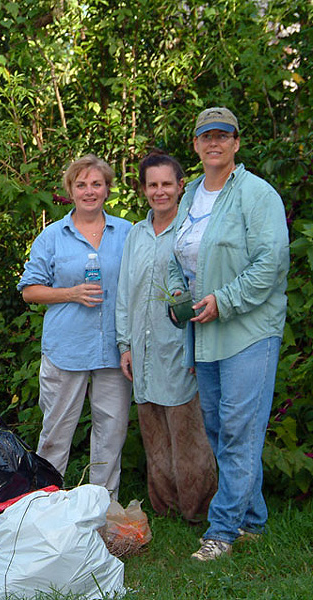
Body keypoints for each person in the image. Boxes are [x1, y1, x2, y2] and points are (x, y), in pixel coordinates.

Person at [168, 107, 289, 561]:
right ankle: (253, 520)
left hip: (248, 332)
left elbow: (271, 263)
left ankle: (222, 530)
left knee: (240, 428)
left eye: (223, 136)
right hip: (205, 333)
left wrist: (225, 300)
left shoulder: (257, 194)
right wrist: (178, 291)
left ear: (236, 143)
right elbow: (175, 257)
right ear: (196, 145)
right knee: (221, 428)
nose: (214, 143)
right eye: (205, 136)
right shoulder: (192, 193)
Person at [17, 154, 132, 499]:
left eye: (96, 184)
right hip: (66, 349)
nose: (89, 191)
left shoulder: (127, 232)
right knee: (55, 434)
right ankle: (46, 505)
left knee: (111, 434)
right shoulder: (52, 237)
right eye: (81, 185)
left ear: (107, 190)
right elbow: (29, 291)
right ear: (70, 190)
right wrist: (71, 293)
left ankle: (102, 509)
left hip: (114, 350)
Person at [115, 150, 217, 523]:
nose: (160, 191)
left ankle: (198, 511)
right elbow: (125, 292)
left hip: (181, 349)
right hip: (142, 351)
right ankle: (164, 508)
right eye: (152, 184)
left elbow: (200, 289)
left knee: (187, 433)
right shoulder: (136, 234)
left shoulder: (191, 233)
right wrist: (124, 345)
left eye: (166, 184)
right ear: (143, 189)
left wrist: (196, 349)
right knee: (153, 431)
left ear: (180, 186)